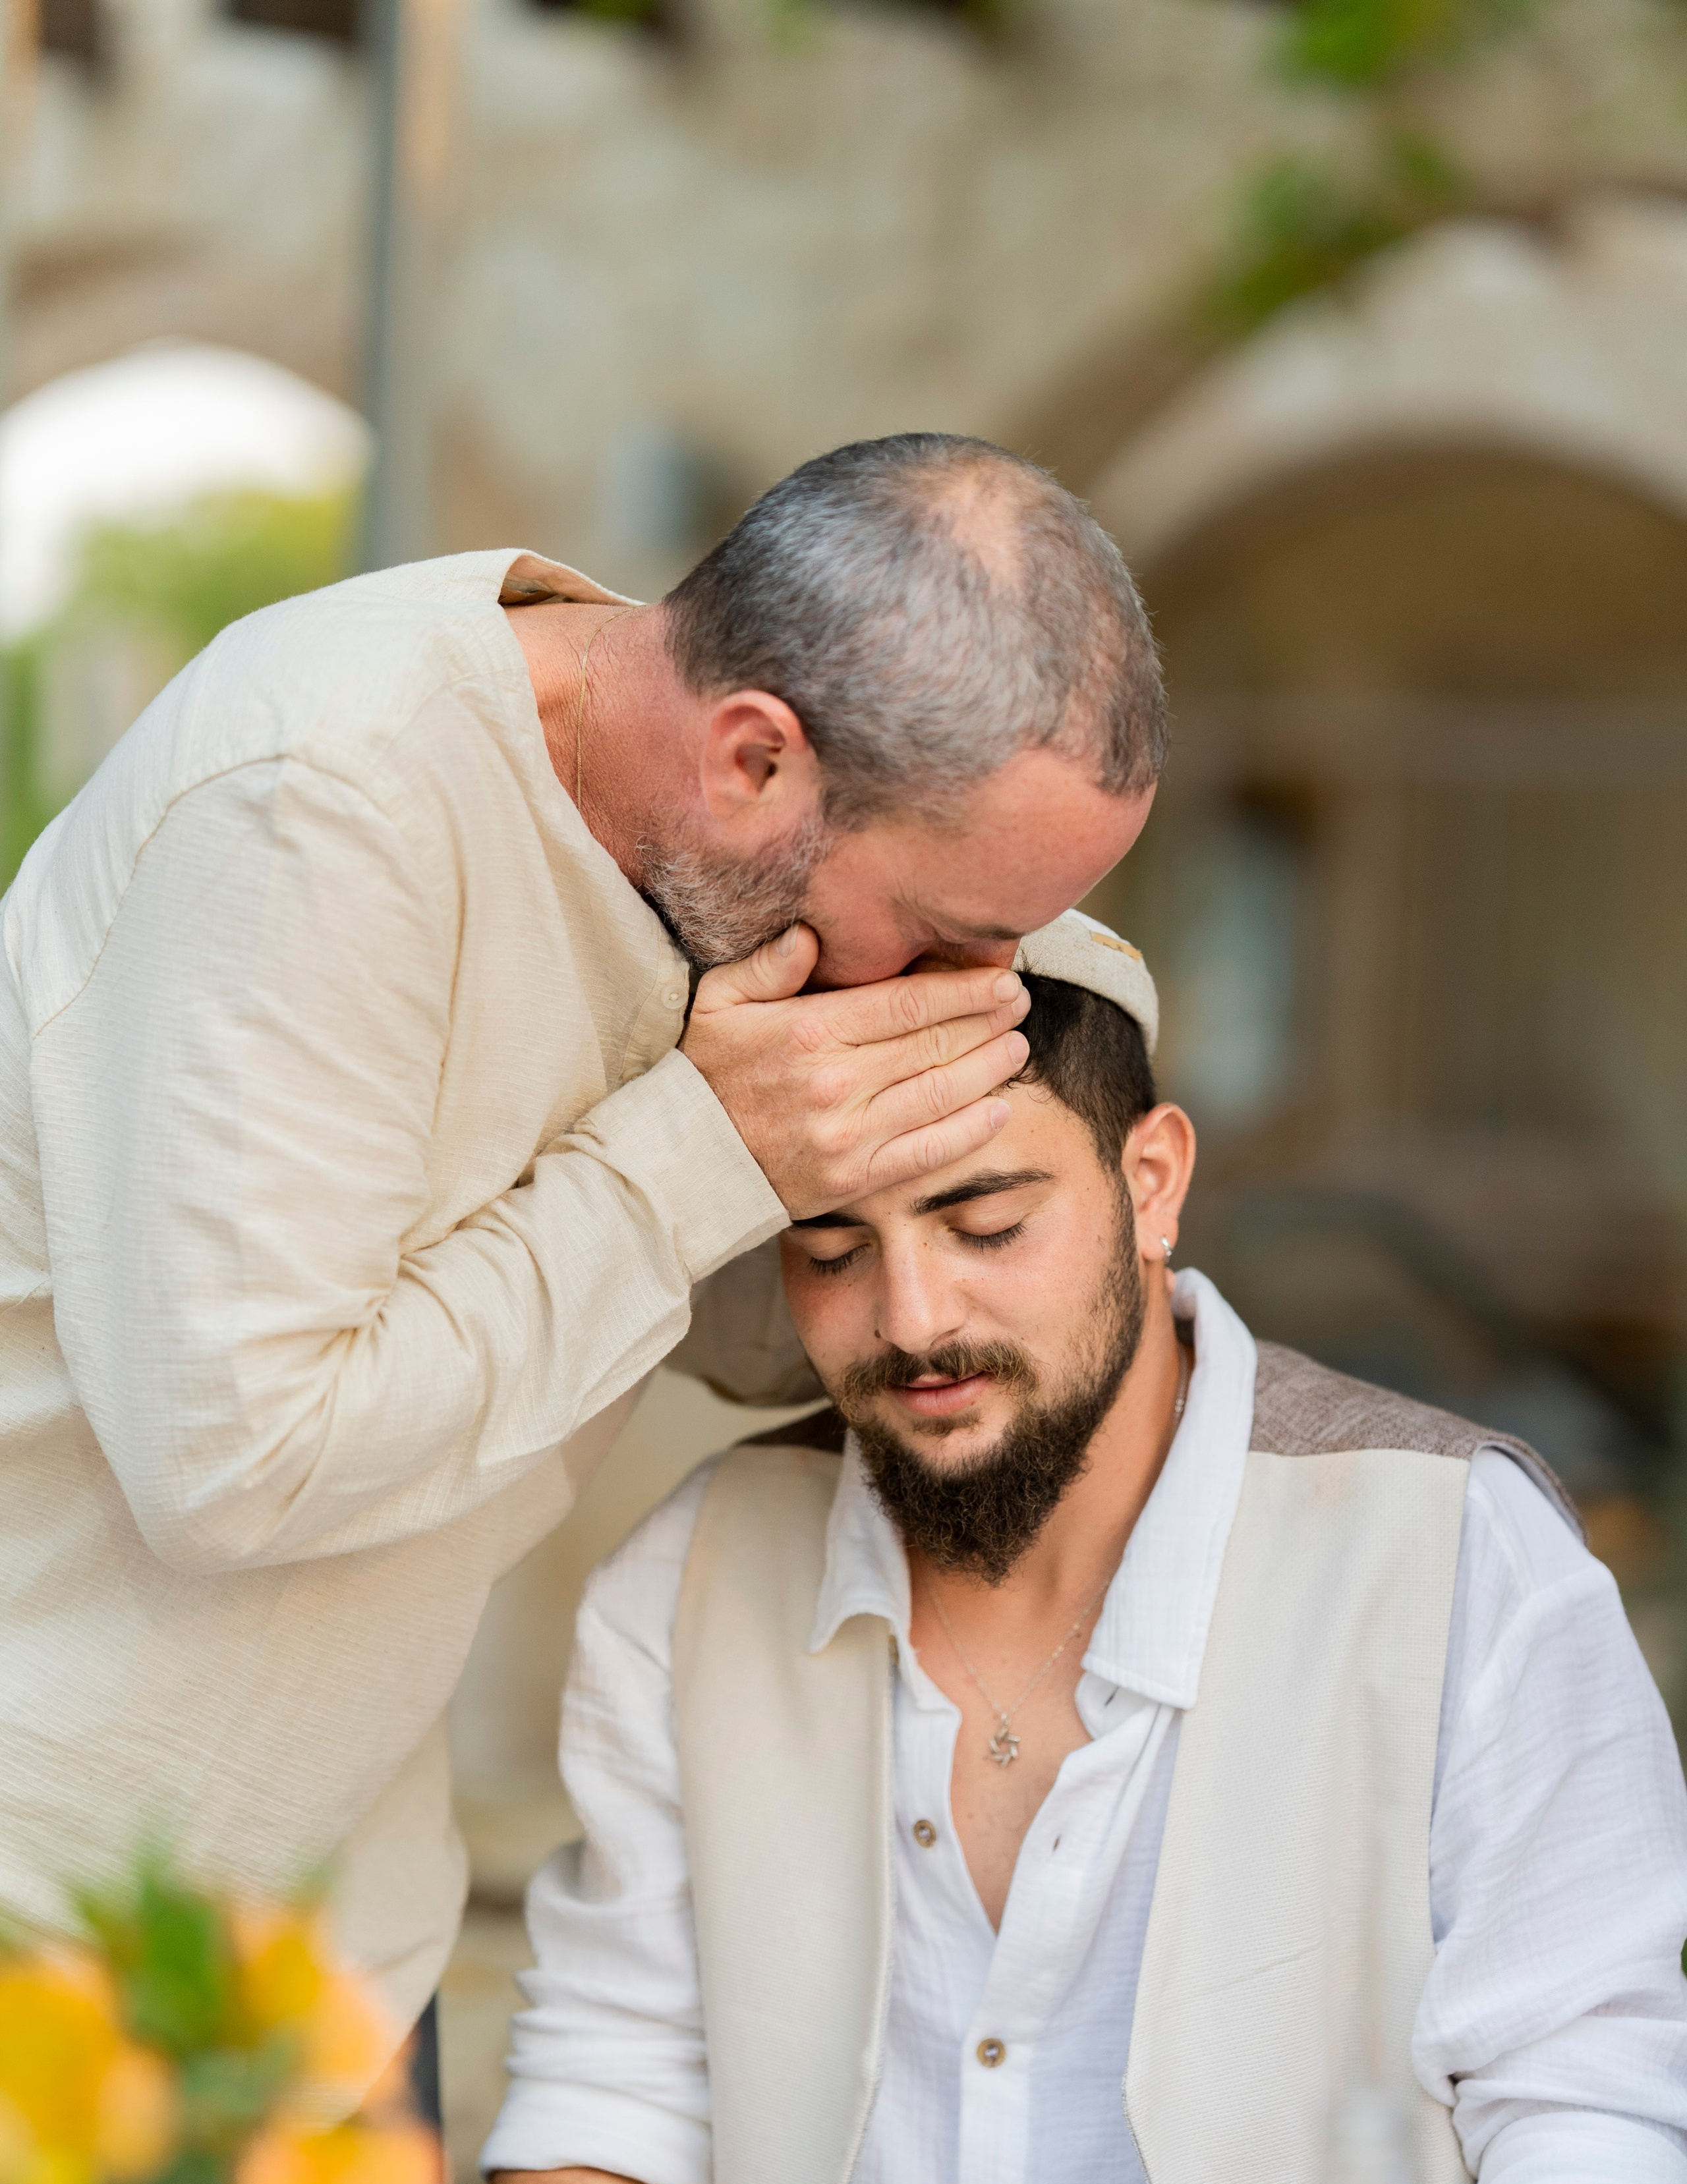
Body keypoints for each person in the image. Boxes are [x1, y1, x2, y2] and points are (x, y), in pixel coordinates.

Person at [0, 434, 1162, 2076]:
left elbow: (754, 1338)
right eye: (953, 935)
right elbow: (231, 1465)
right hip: (47, 1975)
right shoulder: (315, 807)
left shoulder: (732, 863)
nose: (966, 989)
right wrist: (703, 1152)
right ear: (753, 760)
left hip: (331, 1970)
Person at [472, 912, 1687, 2184]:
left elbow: (1590, 2132)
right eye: (831, 1246)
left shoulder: (1458, 1552)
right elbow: (614, 2101)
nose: (913, 1320)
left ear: (1150, 1182)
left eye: (985, 1223)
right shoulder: (694, 1571)